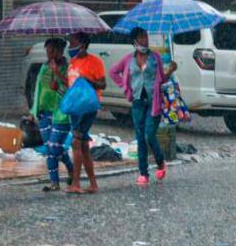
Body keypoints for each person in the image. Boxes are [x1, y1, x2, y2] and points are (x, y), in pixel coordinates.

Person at [108, 27, 177, 185]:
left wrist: (170, 70)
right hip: (137, 103)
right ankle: (143, 173)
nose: (145, 40)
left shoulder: (155, 58)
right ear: (135, 40)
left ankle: (160, 162)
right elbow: (113, 72)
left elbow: (162, 80)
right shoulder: (128, 60)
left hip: (154, 103)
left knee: (149, 135)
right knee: (140, 139)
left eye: (146, 37)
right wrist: (126, 87)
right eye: (141, 37)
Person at [29, 38, 74, 192]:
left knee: (54, 147)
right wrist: (33, 111)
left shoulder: (68, 68)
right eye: (47, 51)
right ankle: (54, 183)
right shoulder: (43, 67)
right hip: (44, 113)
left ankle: (70, 168)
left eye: (52, 50)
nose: (49, 54)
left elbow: (71, 88)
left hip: (61, 114)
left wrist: (58, 77)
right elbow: (38, 89)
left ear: (60, 51)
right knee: (50, 149)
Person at [63, 32, 106, 195]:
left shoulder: (95, 62)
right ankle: (93, 184)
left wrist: (89, 81)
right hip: (75, 108)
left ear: (82, 44)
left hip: (88, 107)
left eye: (72, 42)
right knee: (83, 145)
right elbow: (71, 84)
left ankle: (76, 183)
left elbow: (103, 84)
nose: (70, 46)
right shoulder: (72, 63)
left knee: (76, 142)